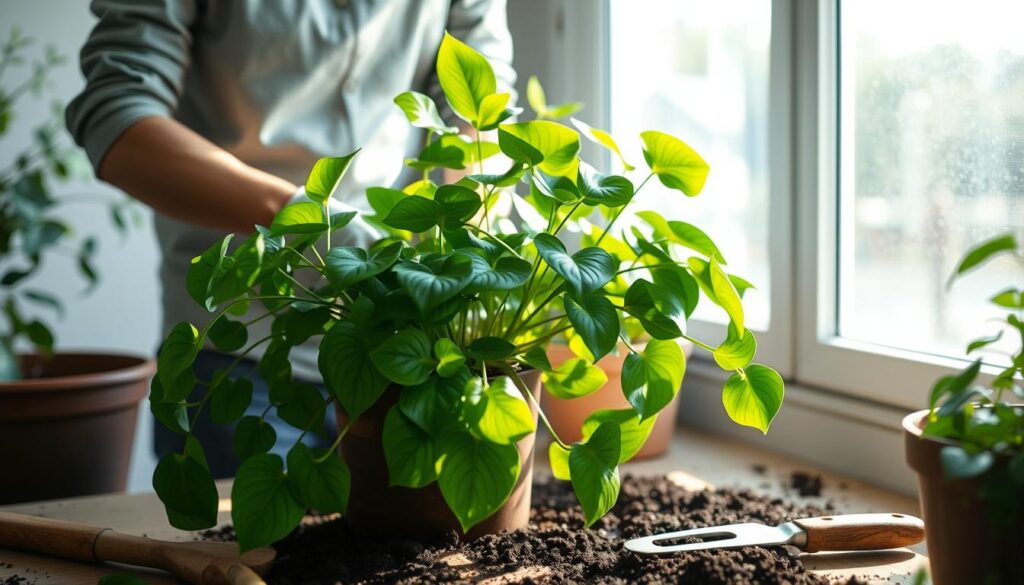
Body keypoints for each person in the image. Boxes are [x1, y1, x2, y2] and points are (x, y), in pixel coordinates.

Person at [66, 0, 516, 478]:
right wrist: (306, 222)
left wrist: (466, 242)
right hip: (243, 340)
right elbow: (116, 117)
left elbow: (478, 109)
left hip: (401, 340)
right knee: (252, 551)